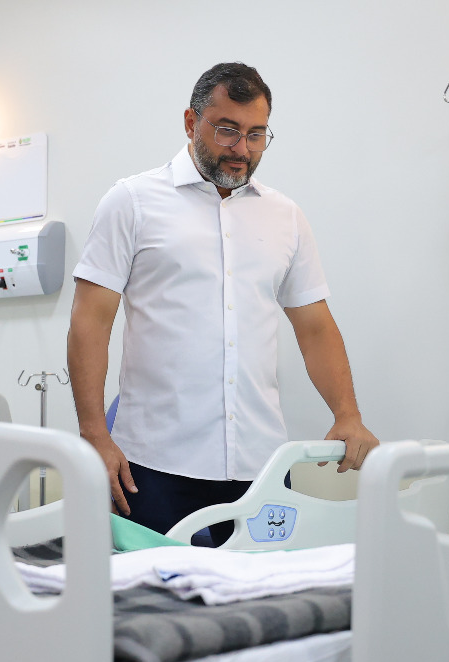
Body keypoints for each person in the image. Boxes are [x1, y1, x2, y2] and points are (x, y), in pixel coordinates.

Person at [68, 62, 378, 543]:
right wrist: (94, 434)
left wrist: (347, 415)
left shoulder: (284, 216)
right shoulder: (132, 202)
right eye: (228, 130)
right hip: (153, 462)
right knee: (155, 590)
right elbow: (90, 322)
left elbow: (314, 325)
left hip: (262, 463)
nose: (242, 149)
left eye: (257, 135)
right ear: (191, 122)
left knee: (267, 589)